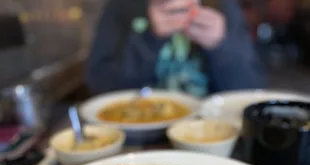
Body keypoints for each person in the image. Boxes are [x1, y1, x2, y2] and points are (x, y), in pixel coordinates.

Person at [86, 0, 266, 97]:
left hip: (209, 133)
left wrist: (220, 44)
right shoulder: (121, 6)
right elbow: (100, 86)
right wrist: (150, 39)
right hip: (138, 139)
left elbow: (251, 90)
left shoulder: (223, 6)